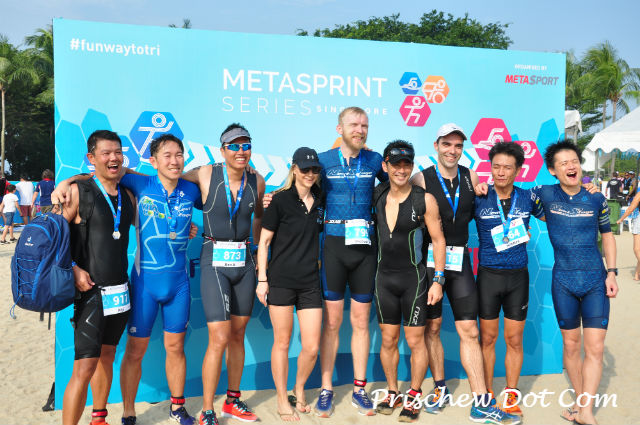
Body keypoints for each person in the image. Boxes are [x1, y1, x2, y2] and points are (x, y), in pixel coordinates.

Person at [53, 135, 201, 425]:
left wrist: (189, 226)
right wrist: (64, 183)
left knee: (154, 350)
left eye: (179, 155)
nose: (174, 160)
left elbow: (212, 182)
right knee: (116, 357)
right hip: (134, 286)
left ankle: (171, 408)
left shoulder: (186, 189)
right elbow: (100, 174)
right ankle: (129, 411)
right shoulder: (138, 183)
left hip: (163, 286)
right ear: (153, 161)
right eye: (167, 155)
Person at [409, 123, 520, 424]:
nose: (452, 150)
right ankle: (440, 388)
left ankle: (481, 402)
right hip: (429, 264)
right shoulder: (420, 179)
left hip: (459, 264)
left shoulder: (471, 177)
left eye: (458, 145)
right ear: (436, 145)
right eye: (447, 144)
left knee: (470, 330)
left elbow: (498, 197)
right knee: (432, 329)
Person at [180, 123, 265, 425]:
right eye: (234, 146)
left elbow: (259, 219)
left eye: (246, 145)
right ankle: (207, 410)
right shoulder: (205, 173)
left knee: (238, 335)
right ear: (222, 150)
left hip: (244, 263)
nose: (241, 151)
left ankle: (232, 400)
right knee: (219, 337)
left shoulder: (258, 180)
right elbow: (169, 179)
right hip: (214, 260)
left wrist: (258, 252)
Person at [530, 140, 618, 425]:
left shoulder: (596, 198)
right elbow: (515, 199)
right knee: (570, 346)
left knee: (595, 348)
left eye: (574, 161)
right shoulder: (544, 193)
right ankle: (581, 404)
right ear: (552, 170)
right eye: (563, 163)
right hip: (563, 282)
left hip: (595, 281)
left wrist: (612, 272)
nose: (571, 166)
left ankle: (586, 412)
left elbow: (607, 236)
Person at [57, 130, 136, 425]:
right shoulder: (79, 192)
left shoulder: (128, 196)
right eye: (106, 153)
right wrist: (73, 268)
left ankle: (99, 418)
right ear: (91, 158)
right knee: (84, 367)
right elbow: (53, 238)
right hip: (90, 293)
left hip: (120, 292)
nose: (113, 158)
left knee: (107, 355)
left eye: (118, 152)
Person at [315, 107, 387, 417]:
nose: (359, 130)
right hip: (333, 246)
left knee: (360, 321)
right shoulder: (322, 160)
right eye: (354, 124)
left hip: (364, 250)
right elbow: (300, 187)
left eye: (364, 125)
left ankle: (359, 389)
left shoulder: (374, 160)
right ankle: (326, 389)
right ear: (339, 128)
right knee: (332, 323)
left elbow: (400, 183)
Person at [371, 141, 446, 422]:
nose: (401, 170)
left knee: (415, 340)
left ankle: (413, 393)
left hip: (413, 279)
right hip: (383, 280)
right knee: (388, 339)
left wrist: (438, 280)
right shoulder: (377, 194)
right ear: (385, 166)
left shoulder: (423, 199)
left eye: (407, 165)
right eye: (396, 164)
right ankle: (393, 391)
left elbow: (439, 240)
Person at [473, 142, 544, 416]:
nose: (501, 172)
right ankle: (487, 394)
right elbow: (450, 217)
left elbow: (556, 212)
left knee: (514, 340)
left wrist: (587, 191)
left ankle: (511, 396)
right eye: (496, 167)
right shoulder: (480, 196)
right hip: (488, 277)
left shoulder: (527, 198)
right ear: (490, 168)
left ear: (518, 170)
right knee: (488, 339)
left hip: (517, 279)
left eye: (507, 167)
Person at [256, 147, 325, 422]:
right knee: (282, 342)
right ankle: (282, 398)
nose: (310, 174)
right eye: (305, 169)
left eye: (315, 169)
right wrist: (262, 280)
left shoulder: (321, 199)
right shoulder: (279, 200)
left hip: (310, 282)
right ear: (294, 169)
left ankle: (299, 388)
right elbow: (264, 242)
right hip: (281, 281)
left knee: (312, 346)